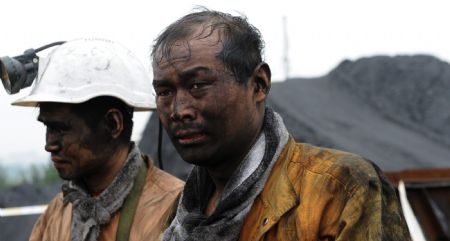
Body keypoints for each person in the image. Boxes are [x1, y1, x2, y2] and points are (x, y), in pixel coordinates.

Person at [151, 9, 411, 241]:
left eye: (198, 85)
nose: (179, 110)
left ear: (259, 84)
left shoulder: (341, 188)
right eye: (165, 92)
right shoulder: (179, 215)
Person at [12, 39, 184, 241]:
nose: (49, 144)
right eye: (47, 127)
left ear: (113, 124)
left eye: (61, 129)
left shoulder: (176, 210)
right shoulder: (57, 213)